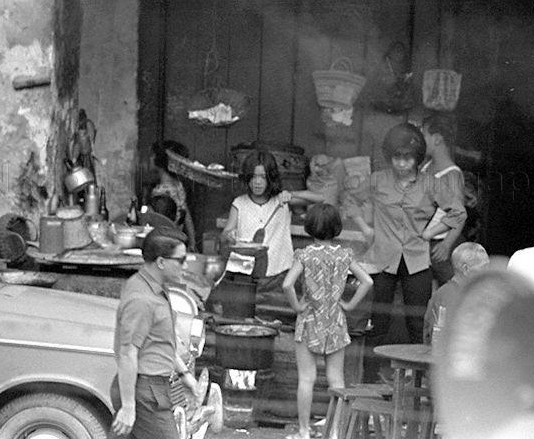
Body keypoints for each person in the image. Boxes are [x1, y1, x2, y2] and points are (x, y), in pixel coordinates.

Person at [343, 122, 466, 382]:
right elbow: (350, 199)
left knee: (417, 322)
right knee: (377, 321)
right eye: (397, 157)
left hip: (417, 260)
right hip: (381, 259)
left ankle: (417, 381)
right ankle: (370, 379)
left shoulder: (431, 184)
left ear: (417, 157)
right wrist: (365, 228)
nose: (401, 163)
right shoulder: (377, 180)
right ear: (389, 156)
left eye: (408, 158)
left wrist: (430, 233)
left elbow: (458, 212)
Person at [282, 204, 373, 439]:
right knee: (337, 379)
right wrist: (349, 305)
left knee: (307, 378)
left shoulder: (305, 255)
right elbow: (368, 281)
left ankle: (304, 431)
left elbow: (287, 284)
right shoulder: (344, 255)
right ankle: (334, 432)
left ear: (310, 227)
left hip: (310, 318)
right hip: (335, 319)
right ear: (337, 227)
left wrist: (297, 306)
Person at [111, 226, 199, 439]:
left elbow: (159, 341)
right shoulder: (142, 300)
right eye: (181, 260)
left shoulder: (153, 288)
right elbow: (127, 352)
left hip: (149, 388)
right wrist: (129, 407)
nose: (185, 265)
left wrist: (184, 374)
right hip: (145, 392)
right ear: (161, 262)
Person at [221, 150, 322, 291]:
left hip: (280, 275)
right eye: (253, 177)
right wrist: (229, 235)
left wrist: (291, 194)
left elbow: (320, 198)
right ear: (247, 178)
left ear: (271, 178)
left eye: (263, 177)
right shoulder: (239, 203)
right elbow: (225, 234)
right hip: (247, 276)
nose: (257, 182)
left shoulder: (281, 200)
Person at [420, 113, 468, 286]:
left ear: (437, 139)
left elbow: (460, 215)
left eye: (424, 135)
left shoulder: (452, 174)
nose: (420, 140)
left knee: (449, 287)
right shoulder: (426, 166)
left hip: (440, 244)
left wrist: (447, 244)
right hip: (425, 242)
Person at [423, 242, 490, 345]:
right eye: (484, 267)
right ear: (466, 269)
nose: (488, 272)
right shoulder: (447, 297)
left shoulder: (477, 292)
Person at [151, 140, 196, 252]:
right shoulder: (178, 185)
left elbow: (159, 225)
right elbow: (186, 214)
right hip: (178, 240)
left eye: (152, 155)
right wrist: (192, 242)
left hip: (164, 246)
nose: (150, 158)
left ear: (160, 161)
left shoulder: (161, 192)